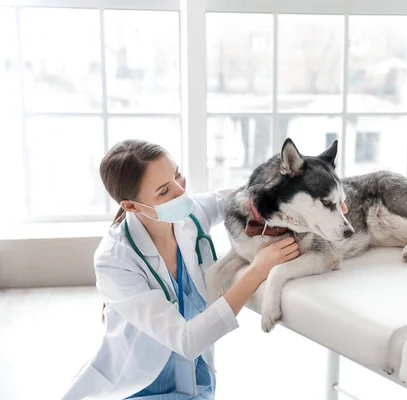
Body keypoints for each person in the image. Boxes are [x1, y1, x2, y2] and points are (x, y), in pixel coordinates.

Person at [63, 139, 299, 400]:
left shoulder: (190, 215)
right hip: (136, 389)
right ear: (131, 206)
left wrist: (316, 192)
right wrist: (258, 269)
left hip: (195, 384)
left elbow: (244, 197)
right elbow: (187, 341)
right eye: (164, 191)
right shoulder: (115, 260)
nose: (180, 192)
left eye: (177, 175)